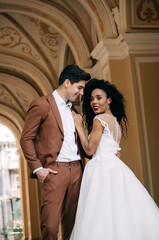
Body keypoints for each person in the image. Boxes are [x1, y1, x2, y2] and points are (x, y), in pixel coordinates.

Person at [70, 78, 159, 240]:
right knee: (118, 212)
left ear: (109, 100)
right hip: (116, 168)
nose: (94, 102)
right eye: (91, 99)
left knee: (100, 214)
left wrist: (78, 127)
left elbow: (90, 150)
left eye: (99, 97)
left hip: (101, 169)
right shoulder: (115, 123)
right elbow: (114, 149)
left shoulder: (100, 120)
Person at [20, 64, 91, 240]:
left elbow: (81, 144)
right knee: (50, 226)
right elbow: (26, 139)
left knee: (73, 225)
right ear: (67, 82)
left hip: (77, 170)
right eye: (79, 87)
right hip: (54, 170)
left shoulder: (74, 111)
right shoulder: (41, 105)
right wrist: (38, 168)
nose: (82, 93)